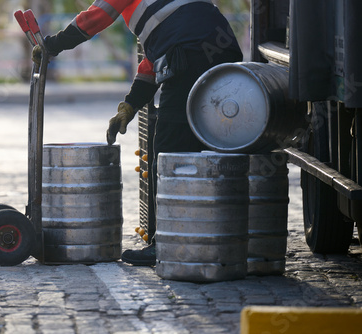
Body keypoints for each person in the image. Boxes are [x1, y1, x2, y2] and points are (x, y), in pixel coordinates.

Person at [34, 0, 243, 266]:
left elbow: (96, 18)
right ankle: (220, 237)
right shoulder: (167, 18)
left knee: (170, 151)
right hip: (218, 48)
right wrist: (130, 105)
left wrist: (51, 46)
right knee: (213, 141)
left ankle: (166, 245)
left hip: (188, 54)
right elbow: (152, 62)